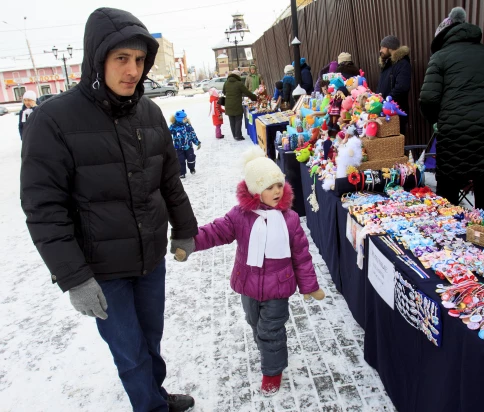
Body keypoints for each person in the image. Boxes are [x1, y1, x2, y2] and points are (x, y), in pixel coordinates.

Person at [20, 7, 198, 412]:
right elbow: (44, 208)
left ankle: (156, 395)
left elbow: (169, 180)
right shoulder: (53, 120)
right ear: (97, 58)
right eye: (122, 58)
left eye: (139, 60)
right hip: (102, 271)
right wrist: (74, 277)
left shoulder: (150, 113)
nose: (132, 70)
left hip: (150, 258)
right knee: (130, 352)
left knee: (150, 339)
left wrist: (184, 229)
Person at [183, 147, 325, 396]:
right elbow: (217, 231)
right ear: (254, 190)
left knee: (271, 330)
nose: (277, 191)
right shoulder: (241, 216)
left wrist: (309, 286)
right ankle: (268, 352)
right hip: (248, 285)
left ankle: (273, 372)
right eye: (269, 187)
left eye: (279, 185)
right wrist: (192, 242)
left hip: (278, 287)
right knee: (254, 323)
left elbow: (301, 256)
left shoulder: (289, 219)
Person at [420, 7, 484, 214]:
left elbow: (428, 98)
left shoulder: (440, 57)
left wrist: (436, 120)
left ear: (441, 36)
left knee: (448, 186)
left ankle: (447, 233)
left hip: (455, 130)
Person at [376, 35, 412, 135]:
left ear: (390, 48)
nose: (380, 50)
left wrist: (387, 99)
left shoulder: (403, 64)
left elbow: (402, 87)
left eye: (383, 47)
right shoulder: (387, 65)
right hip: (384, 112)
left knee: (396, 143)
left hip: (395, 112)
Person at [223, 69, 257, 141]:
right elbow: (247, 92)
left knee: (232, 120)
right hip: (236, 104)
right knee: (238, 119)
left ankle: (234, 135)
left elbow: (224, 92)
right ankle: (238, 136)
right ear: (238, 76)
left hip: (228, 105)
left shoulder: (226, 83)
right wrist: (255, 98)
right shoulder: (239, 83)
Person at [169, 110, 201, 178]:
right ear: (179, 119)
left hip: (188, 146)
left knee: (191, 158)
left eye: (186, 118)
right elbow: (168, 134)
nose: (186, 119)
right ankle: (182, 173)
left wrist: (197, 142)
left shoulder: (188, 125)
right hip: (178, 147)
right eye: (184, 118)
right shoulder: (173, 126)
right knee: (180, 160)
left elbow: (193, 134)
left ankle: (192, 168)